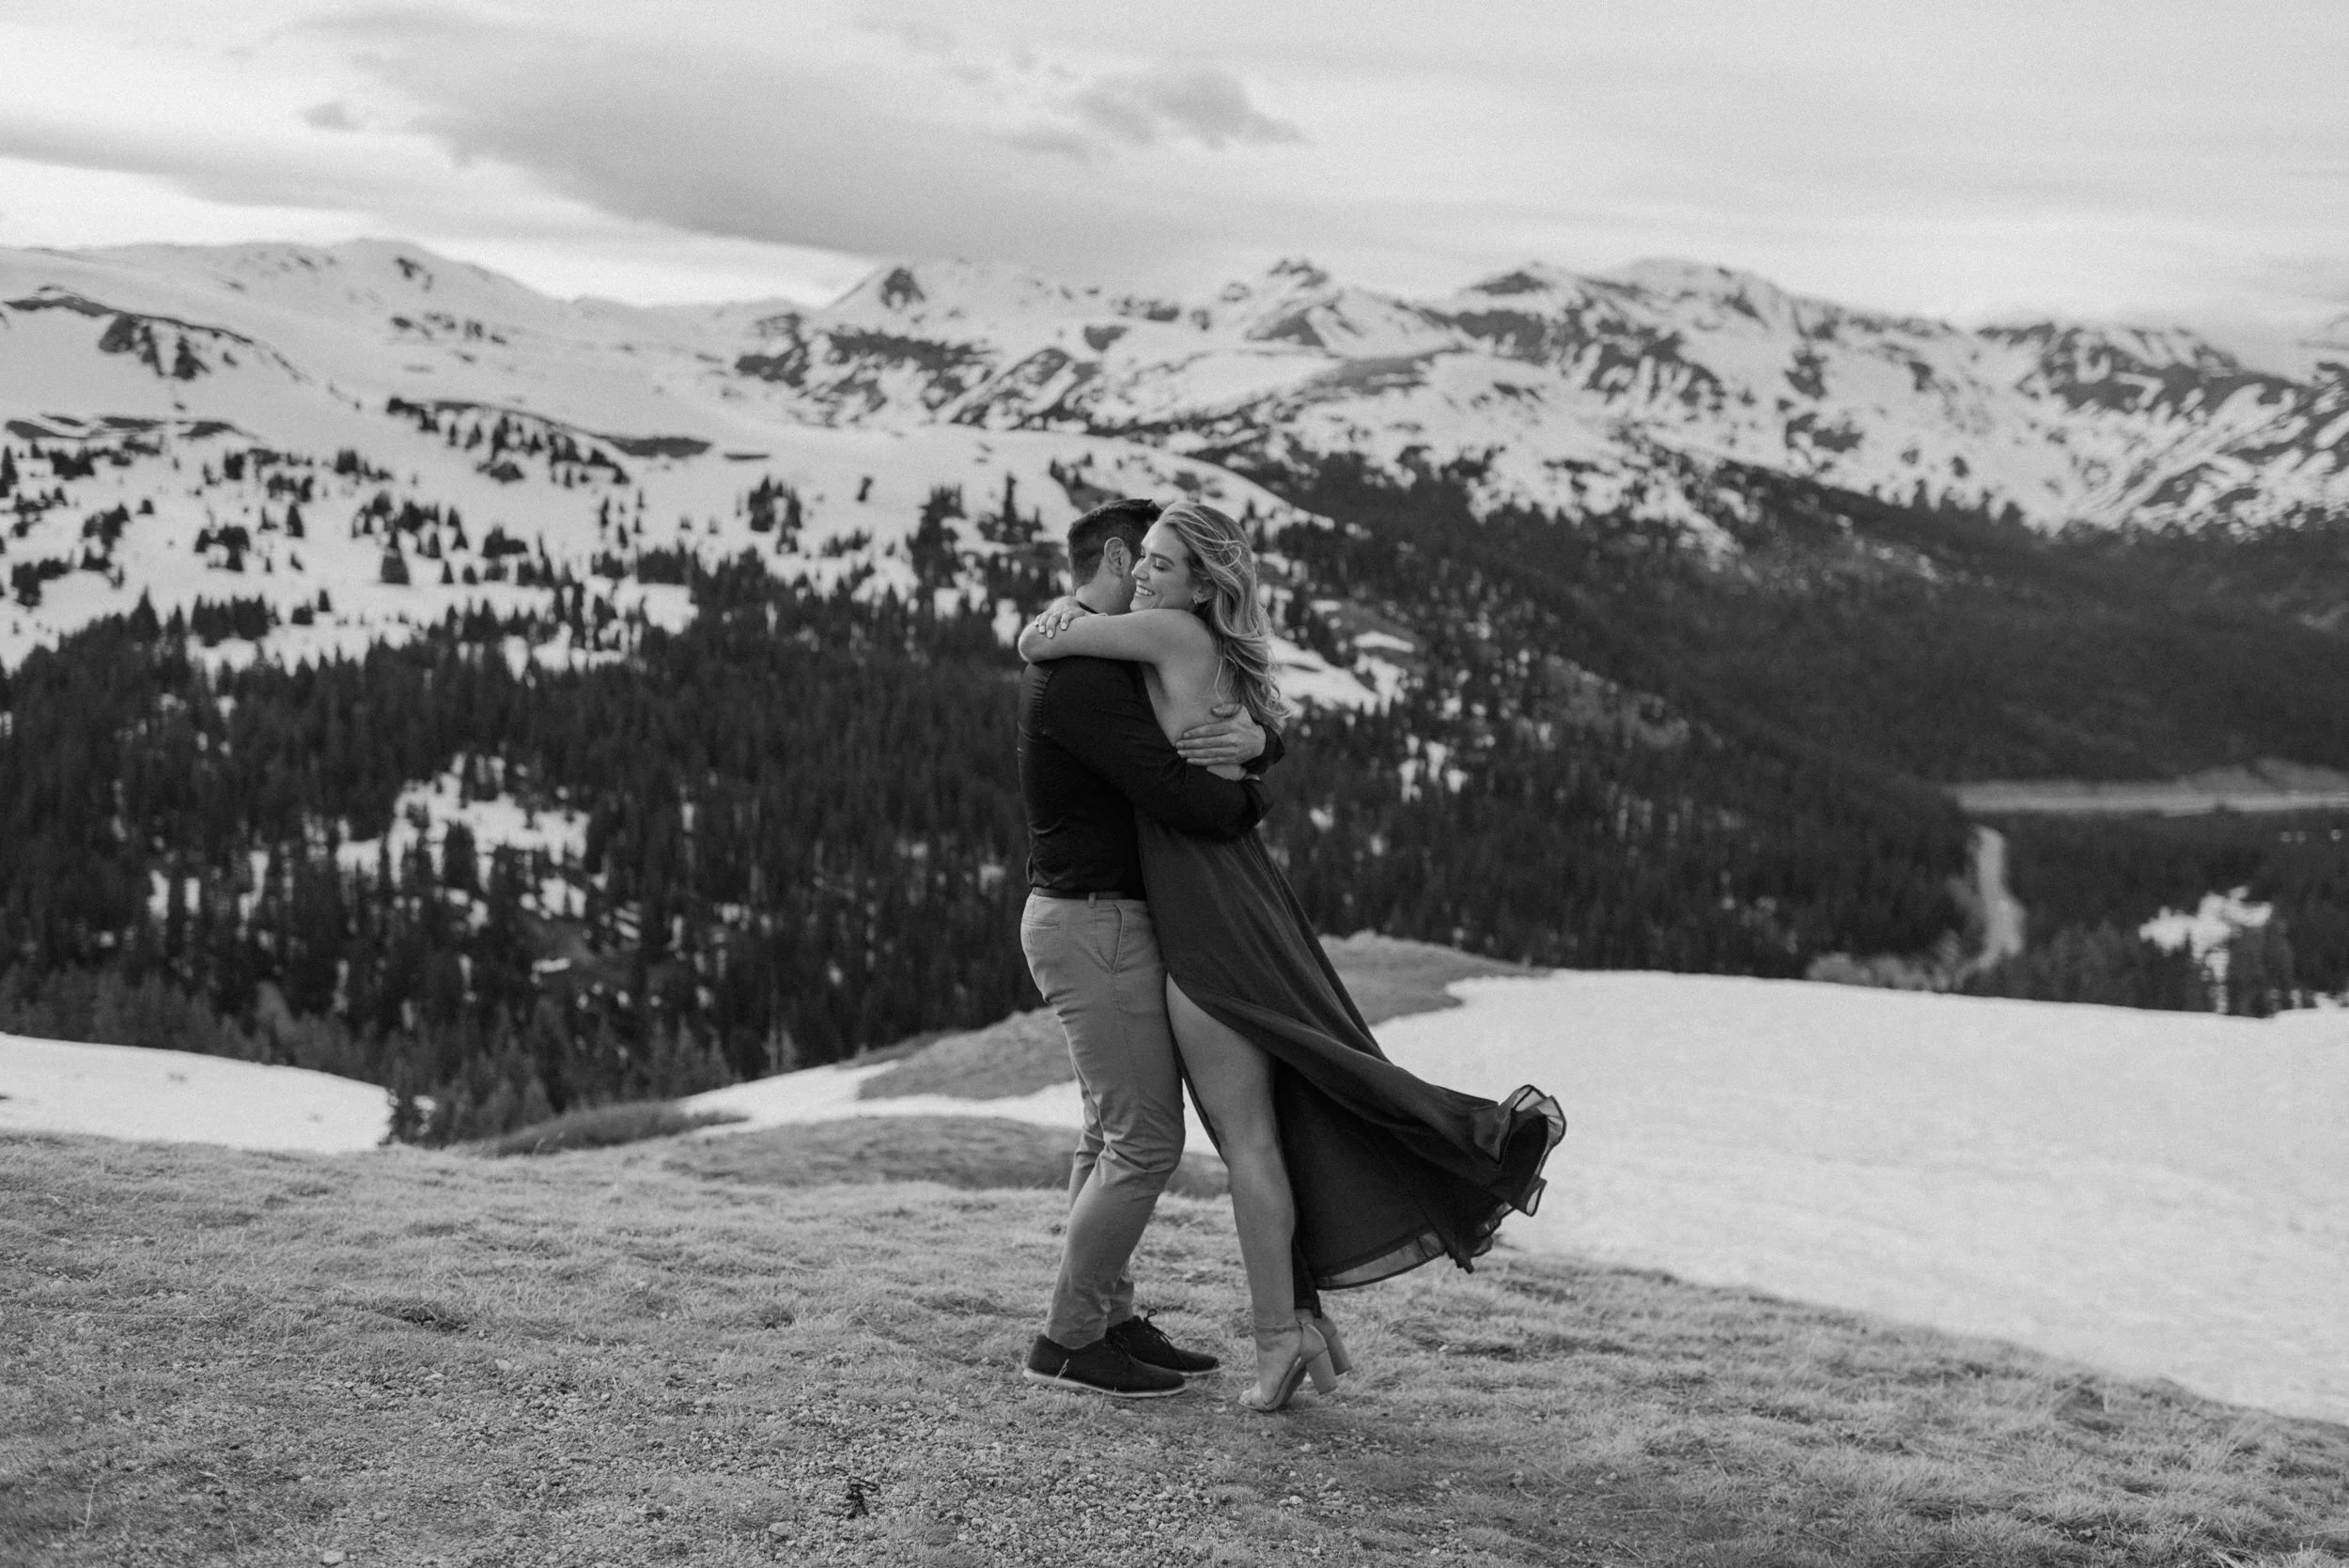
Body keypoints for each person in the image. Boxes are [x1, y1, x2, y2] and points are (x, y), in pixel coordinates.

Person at [1020, 500, 1565, 1412]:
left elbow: (1046, 646)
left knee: (1234, 1138)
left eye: (1162, 562)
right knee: (1233, 1125)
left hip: (1201, 904)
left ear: (1204, 585)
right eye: (1142, 558)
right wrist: (1260, 747)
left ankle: (1250, 1332)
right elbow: (1227, 738)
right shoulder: (1196, 644)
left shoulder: (1163, 632)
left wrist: (1057, 618)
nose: (1146, 573)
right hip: (1229, 894)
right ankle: (1244, 1325)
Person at [1015, 496, 1284, 1400]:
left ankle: (1103, 1318)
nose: (1150, 580)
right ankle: (1066, 1339)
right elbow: (1180, 793)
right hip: (1097, 923)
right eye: (1149, 561)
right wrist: (1253, 790)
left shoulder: (1100, 651)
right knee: (1146, 1140)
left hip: (1100, 918)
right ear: (1119, 557)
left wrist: (1260, 741)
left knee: (1109, 1134)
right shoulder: (1083, 676)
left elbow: (1209, 709)